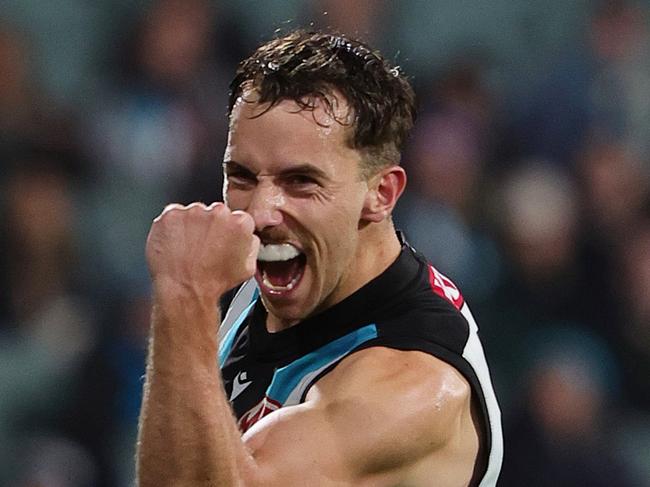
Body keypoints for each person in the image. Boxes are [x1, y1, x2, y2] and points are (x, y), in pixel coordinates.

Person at [137, 30, 502, 486]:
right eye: (243, 176)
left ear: (381, 194)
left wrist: (183, 295)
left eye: (301, 182)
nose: (260, 212)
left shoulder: (409, 388)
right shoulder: (293, 266)